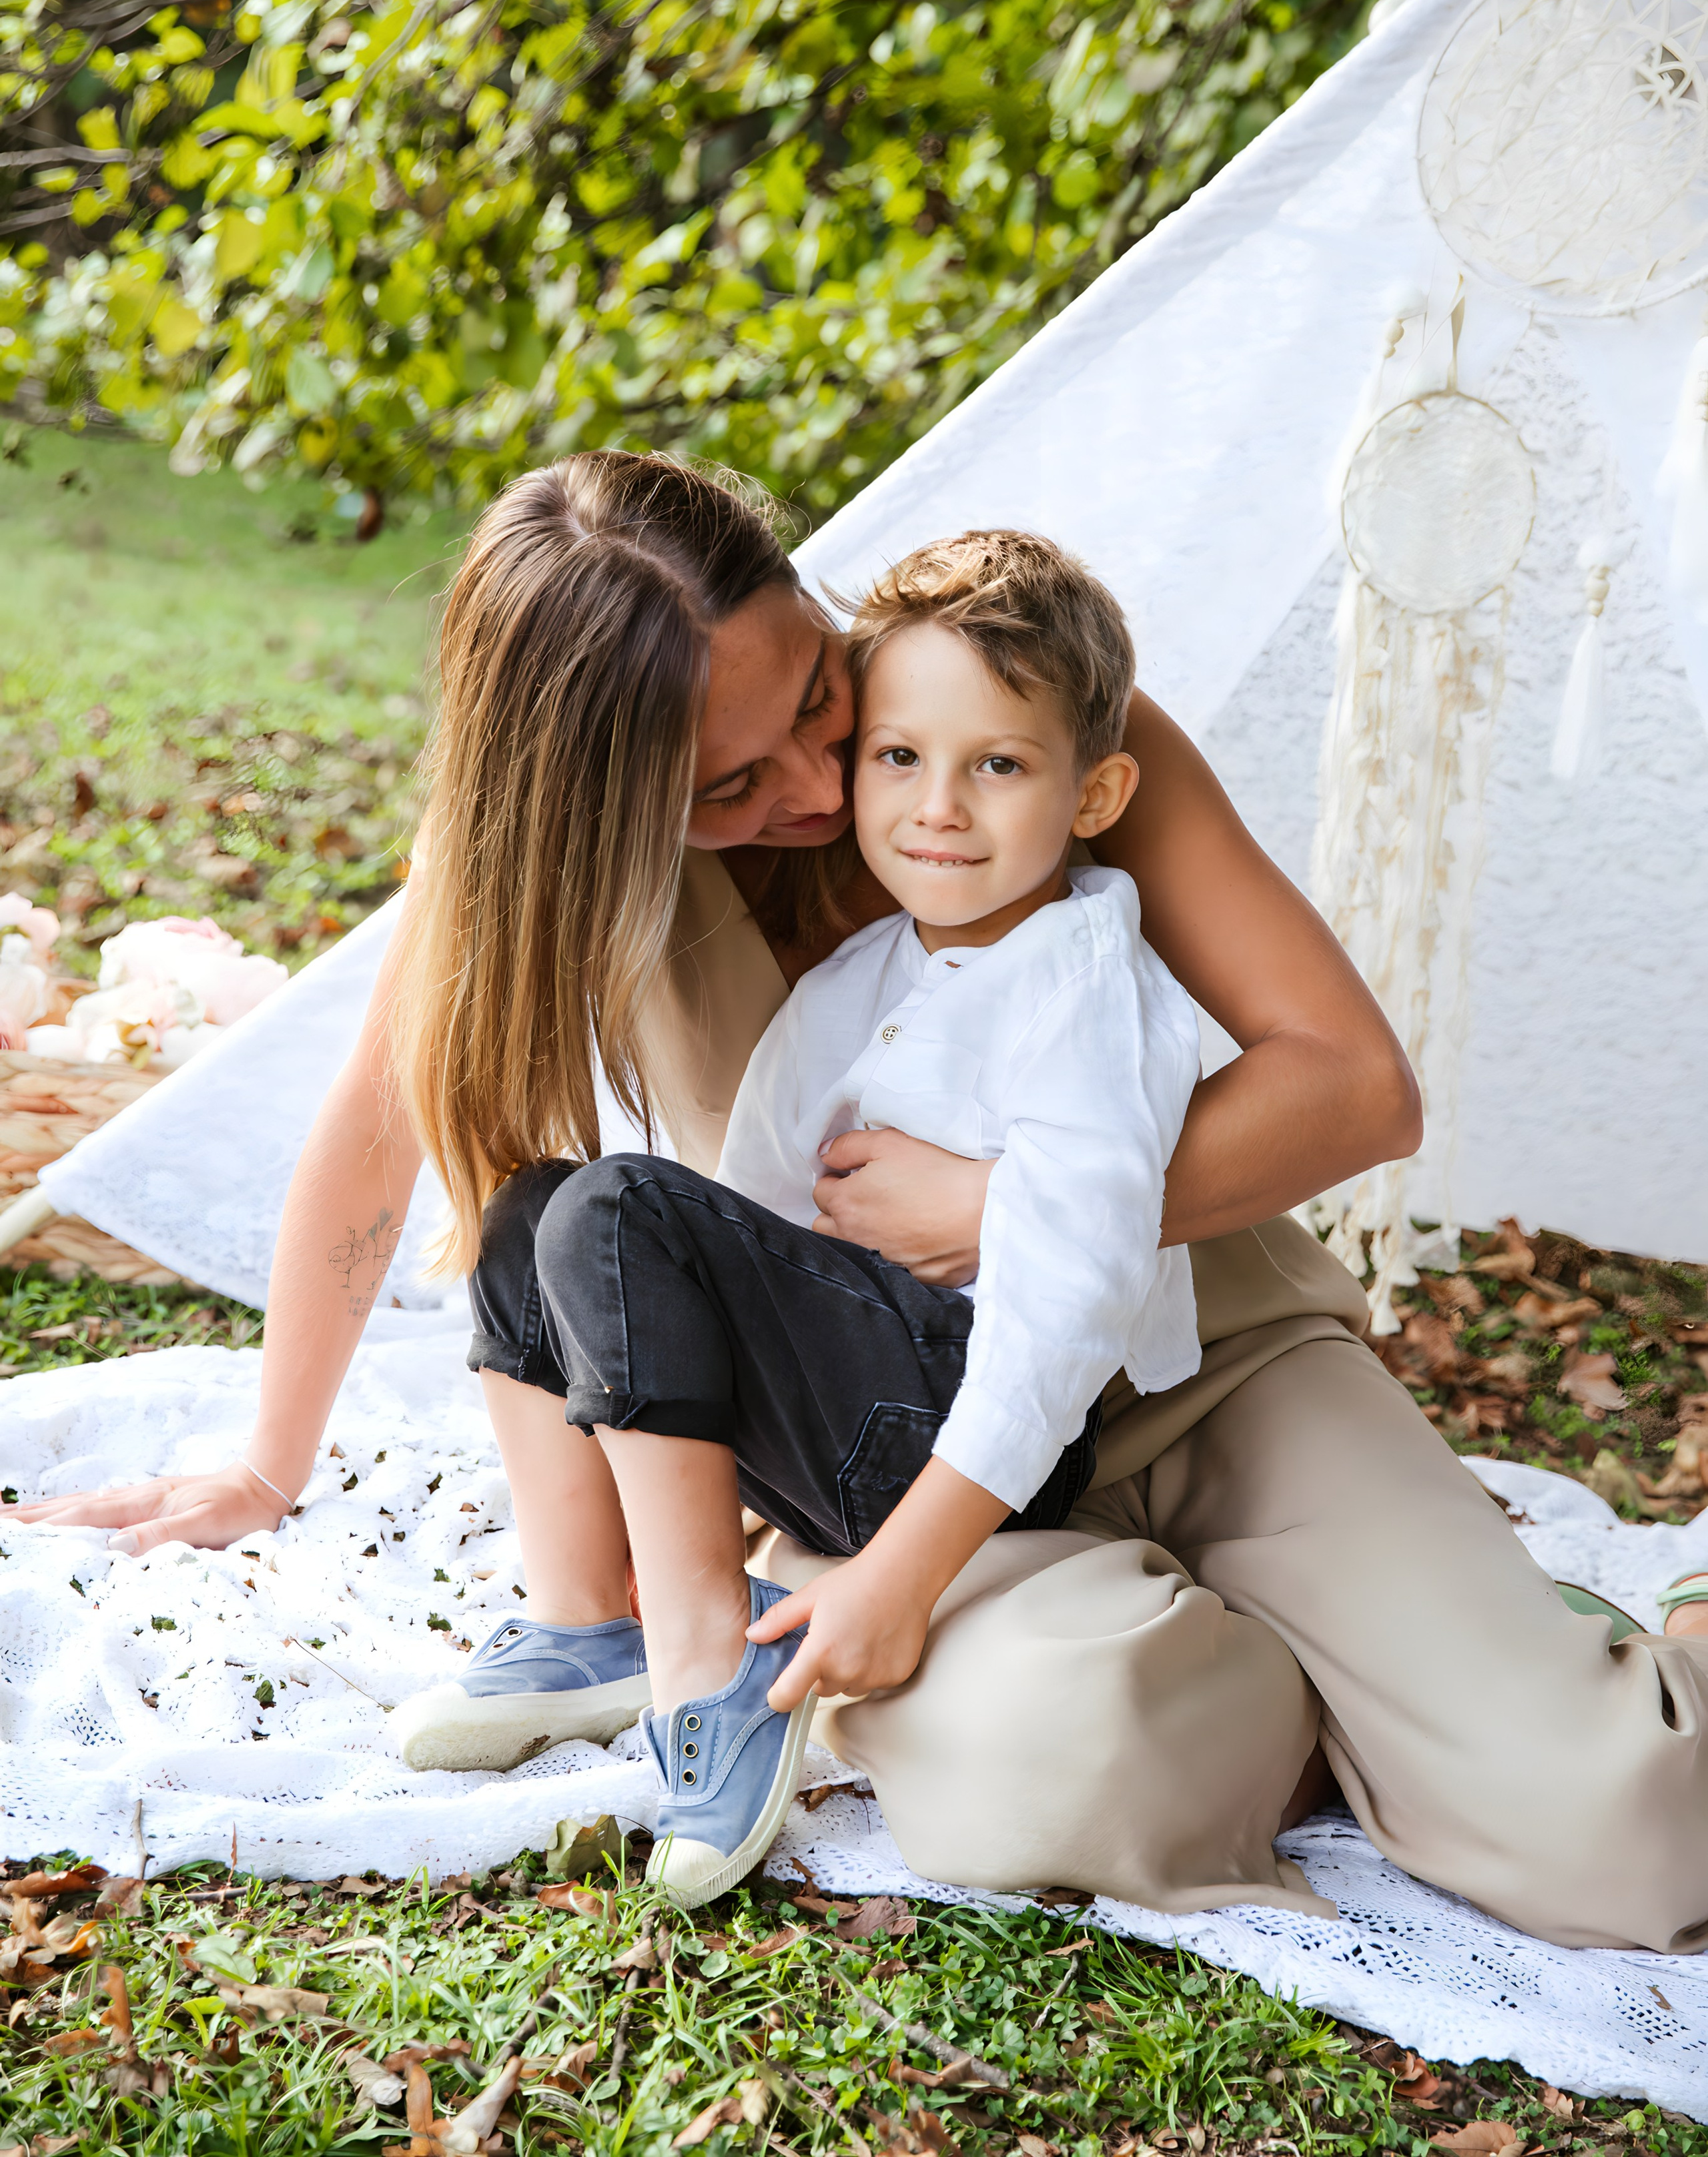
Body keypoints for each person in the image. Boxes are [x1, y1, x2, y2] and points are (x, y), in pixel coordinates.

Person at [11, 453, 1708, 1949]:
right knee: (1051, 1764)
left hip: (1212, 1365)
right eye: (729, 792)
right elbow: (390, 1135)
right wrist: (266, 1458)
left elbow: (1353, 1085)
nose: (822, 796)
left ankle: (1492, 1664)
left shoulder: (1008, 710)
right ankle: (1319, 1679)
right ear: (599, 811)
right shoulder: (540, 865)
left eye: (817, 709)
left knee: (1618, 1832)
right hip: (889, 1440)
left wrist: (1001, 1203)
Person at [396, 530, 1204, 1909]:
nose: (934, 807)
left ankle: (715, 1677)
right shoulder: (863, 974)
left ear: (1094, 791)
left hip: (971, 1447)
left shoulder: (1080, 980)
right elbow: (750, 1228)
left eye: (996, 765)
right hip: (848, 1413)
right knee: (538, 1207)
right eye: (898, 758)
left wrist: (901, 1571)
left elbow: (1069, 1297)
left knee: (615, 1202)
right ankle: (592, 1623)